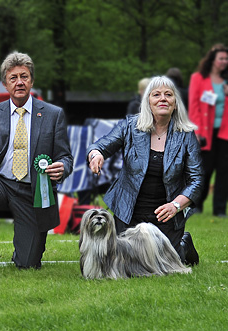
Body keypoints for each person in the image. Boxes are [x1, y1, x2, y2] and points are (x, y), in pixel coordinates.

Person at [0, 51, 73, 271]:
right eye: (13, 78)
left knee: (27, 264)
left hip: (33, 192)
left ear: (32, 81)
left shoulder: (54, 115)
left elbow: (66, 156)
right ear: (5, 84)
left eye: (24, 77)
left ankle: (24, 249)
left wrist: (63, 167)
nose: (19, 82)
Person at [87, 76, 203, 266]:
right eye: (156, 94)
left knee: (169, 263)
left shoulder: (186, 135)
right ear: (147, 101)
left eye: (168, 95)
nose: (163, 99)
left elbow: (196, 180)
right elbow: (102, 145)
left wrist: (175, 205)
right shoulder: (130, 125)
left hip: (166, 213)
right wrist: (95, 154)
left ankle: (183, 243)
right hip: (128, 211)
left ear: (175, 103)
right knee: (127, 263)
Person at [189, 43, 228, 217]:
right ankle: (197, 204)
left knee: (224, 171)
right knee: (205, 169)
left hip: (225, 132)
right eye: (221, 58)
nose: (225, 62)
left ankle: (220, 209)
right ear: (212, 60)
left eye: (227, 59)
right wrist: (196, 131)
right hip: (205, 131)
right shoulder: (198, 78)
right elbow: (194, 105)